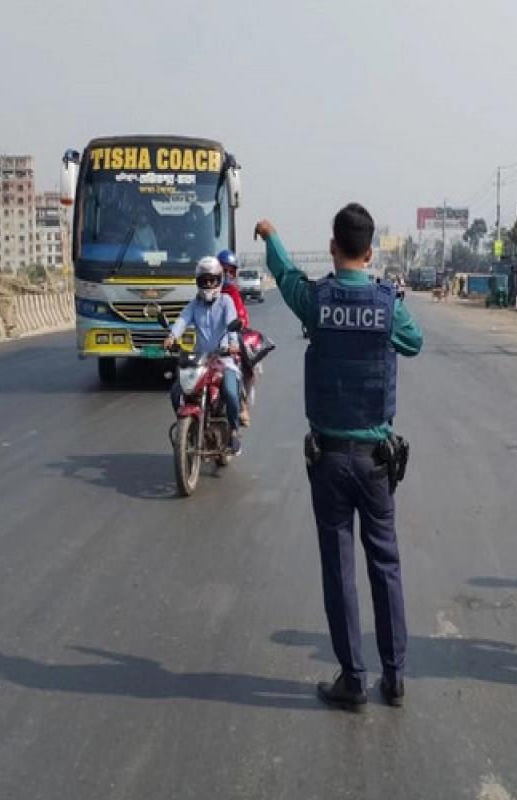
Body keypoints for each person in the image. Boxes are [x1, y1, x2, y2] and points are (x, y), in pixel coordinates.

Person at [255, 203, 422, 710]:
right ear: (370, 253)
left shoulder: (316, 300)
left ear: (333, 246)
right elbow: (414, 343)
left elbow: (284, 276)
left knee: (340, 569)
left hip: (328, 459)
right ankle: (394, 677)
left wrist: (271, 235)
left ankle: (353, 677)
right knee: (386, 566)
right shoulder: (387, 303)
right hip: (375, 461)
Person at [164, 256, 243, 455]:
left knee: (231, 393)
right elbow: (182, 320)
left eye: (212, 280)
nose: (208, 284)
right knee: (176, 391)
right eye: (204, 280)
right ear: (198, 282)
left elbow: (232, 324)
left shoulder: (226, 302)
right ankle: (190, 429)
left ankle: (233, 431)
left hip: (224, 360)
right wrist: (172, 336)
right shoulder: (194, 304)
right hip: (202, 360)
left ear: (219, 280)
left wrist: (233, 344)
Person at [217, 248, 253, 426]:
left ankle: (242, 403)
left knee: (246, 363)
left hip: (228, 342)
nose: (228, 274)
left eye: (231, 271)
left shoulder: (232, 292)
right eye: (224, 270)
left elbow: (242, 319)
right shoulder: (202, 293)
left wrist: (236, 335)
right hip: (208, 345)